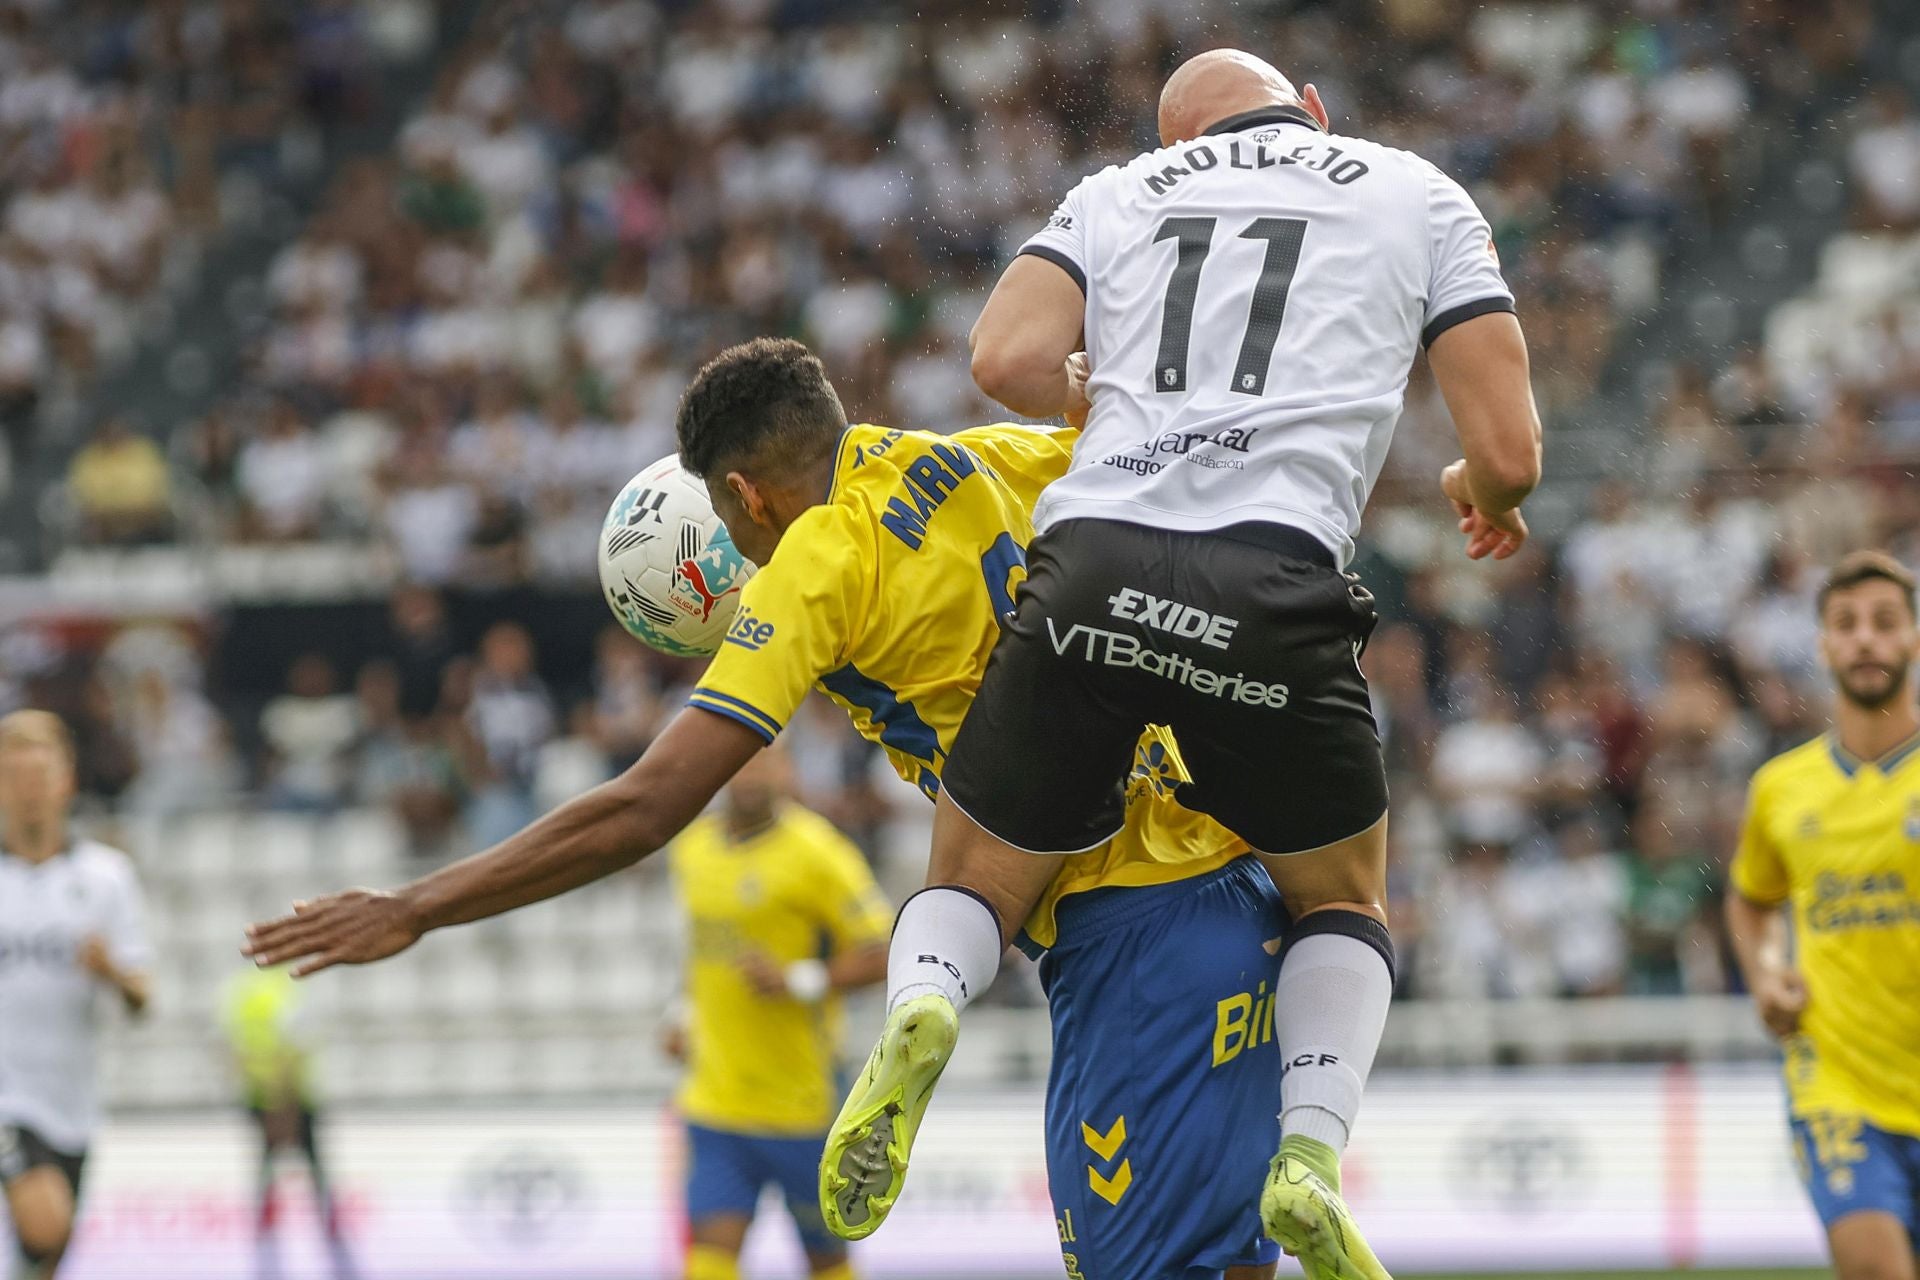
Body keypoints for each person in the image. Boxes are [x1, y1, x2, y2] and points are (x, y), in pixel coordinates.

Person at [246, 339, 1288, 1280]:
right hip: (1236, 869)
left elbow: (646, 804)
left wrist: (420, 905)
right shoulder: (970, 455)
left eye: (733, 525)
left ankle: (927, 991)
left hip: (1125, 924)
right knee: (1234, 1259)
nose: (741, 554)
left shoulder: (809, 568)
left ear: (744, 493)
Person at [836, 48, 1543, 1278]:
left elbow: (1002, 362)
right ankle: (1310, 1153)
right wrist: (1475, 489)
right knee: (1341, 900)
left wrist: (1115, 400)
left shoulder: (1120, 193)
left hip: (1094, 567)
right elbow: (1512, 451)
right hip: (1273, 593)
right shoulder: (1417, 190)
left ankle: (928, 1002)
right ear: (1313, 109)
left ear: (1176, 142)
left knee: (978, 880)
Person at [1726, 551, 1920, 1280]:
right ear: (1823, 645)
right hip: (1837, 1085)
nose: (1864, 639)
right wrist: (1769, 974)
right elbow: (1751, 900)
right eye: (1846, 624)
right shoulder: (1782, 789)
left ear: (1913, 641)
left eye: (1883, 623)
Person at [664, 744, 890, 1280]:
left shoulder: (819, 852)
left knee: (826, 1259)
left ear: (787, 769)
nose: (751, 771)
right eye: (739, 758)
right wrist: (680, 1015)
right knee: (708, 1257)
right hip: (714, 1101)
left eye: (766, 759)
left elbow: (881, 950)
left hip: (802, 1104)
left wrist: (796, 979)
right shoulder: (693, 850)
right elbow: (700, 952)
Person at [0, 711, 152, 1280]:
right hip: (6, 1097)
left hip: (71, 1101)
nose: (28, 791)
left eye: (39, 775)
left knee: (47, 1257)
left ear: (66, 781)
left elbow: (143, 998)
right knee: (45, 1222)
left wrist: (110, 971)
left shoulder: (106, 878)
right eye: (14, 775)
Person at [219, 965, 358, 1280]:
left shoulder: (240, 990)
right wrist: (284, 1105)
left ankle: (266, 1246)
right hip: (295, 1100)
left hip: (257, 1097)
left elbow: (233, 1051)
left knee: (266, 1173)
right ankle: (331, 1241)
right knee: (315, 1173)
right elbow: (292, 1052)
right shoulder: (290, 991)